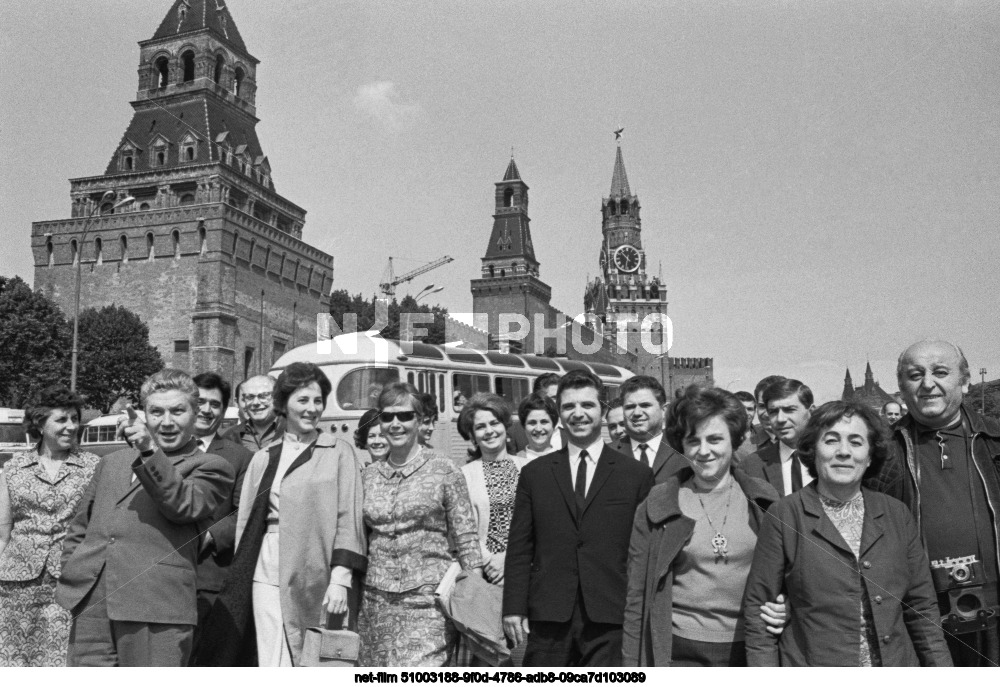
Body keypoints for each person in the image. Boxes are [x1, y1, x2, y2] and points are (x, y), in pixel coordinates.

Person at [743, 400, 952, 666]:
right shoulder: (784, 515)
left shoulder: (896, 514)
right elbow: (759, 613)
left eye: (856, 442)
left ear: (870, 456)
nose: (844, 452)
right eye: (831, 441)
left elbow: (921, 607)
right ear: (812, 451)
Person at [56, 369, 234, 667]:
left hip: (156, 607)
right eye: (156, 412)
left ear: (194, 414)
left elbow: (183, 505)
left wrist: (149, 451)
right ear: (144, 415)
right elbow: (81, 527)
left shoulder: (211, 465)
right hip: (92, 604)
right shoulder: (110, 463)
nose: (166, 422)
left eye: (177, 411)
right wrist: (73, 569)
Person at [197, 362, 366, 667]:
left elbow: (348, 519)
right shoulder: (264, 458)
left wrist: (340, 579)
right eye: (303, 400)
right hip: (267, 567)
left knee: (315, 654)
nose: (312, 408)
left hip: (317, 573)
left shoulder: (339, 452)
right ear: (284, 405)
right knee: (272, 655)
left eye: (318, 401)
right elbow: (247, 524)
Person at [503, 370, 654, 667]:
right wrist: (513, 607)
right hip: (548, 615)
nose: (579, 414)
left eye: (587, 405)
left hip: (611, 614)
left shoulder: (635, 475)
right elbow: (520, 546)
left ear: (603, 409)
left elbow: (643, 552)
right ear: (559, 413)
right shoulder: (535, 474)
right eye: (569, 406)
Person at [866, 339, 1000, 666]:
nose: (928, 383)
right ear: (900, 387)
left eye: (940, 372)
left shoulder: (996, 441)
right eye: (915, 375)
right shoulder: (881, 453)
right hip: (922, 621)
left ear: (965, 380)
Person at [623, 386, 779, 666]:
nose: (704, 451)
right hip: (680, 652)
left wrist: (787, 605)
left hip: (752, 649)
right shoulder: (658, 504)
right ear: (681, 445)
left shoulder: (764, 501)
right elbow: (637, 598)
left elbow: (790, 579)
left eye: (715, 439)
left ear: (735, 441)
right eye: (693, 441)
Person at [359, 383, 482, 666]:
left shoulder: (443, 469)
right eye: (388, 417)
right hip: (377, 605)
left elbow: (466, 538)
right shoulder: (369, 476)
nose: (395, 424)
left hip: (429, 603)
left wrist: (473, 598)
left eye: (404, 416)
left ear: (418, 420)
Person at [0, 387, 100, 666]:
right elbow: (2, 533)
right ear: (40, 424)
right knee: (14, 658)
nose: (71, 426)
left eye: (74, 419)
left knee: (60, 658)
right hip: (14, 583)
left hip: (69, 579)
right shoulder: (14, 467)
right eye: (62, 420)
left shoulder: (93, 466)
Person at [188, 372, 254, 664]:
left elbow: (245, 511)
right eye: (200, 401)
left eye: (215, 404)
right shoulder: (161, 448)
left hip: (210, 573)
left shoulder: (240, 457)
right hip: (161, 576)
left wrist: (212, 536)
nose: (206, 410)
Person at [741, 378, 814, 496]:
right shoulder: (751, 466)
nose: (780, 419)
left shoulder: (829, 457)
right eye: (773, 412)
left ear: (811, 411)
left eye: (789, 410)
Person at [612, 376, 686, 484]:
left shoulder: (684, 449)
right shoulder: (606, 454)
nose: (637, 413)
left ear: (664, 410)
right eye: (630, 407)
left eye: (645, 405)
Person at [223, 375, 285, 452]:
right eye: (250, 397)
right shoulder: (230, 436)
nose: (256, 403)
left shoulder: (294, 430)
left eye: (263, 396)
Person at [516, 393, 558, 462]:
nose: (538, 429)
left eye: (544, 422)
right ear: (524, 426)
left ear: (553, 424)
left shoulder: (567, 461)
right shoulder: (514, 463)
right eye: (532, 423)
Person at [752, 375, 785, 448]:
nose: (767, 414)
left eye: (774, 407)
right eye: (762, 406)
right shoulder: (743, 452)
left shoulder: (809, 444)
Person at [732, 390, 758, 461]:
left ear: (755, 412)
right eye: (741, 409)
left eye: (750, 409)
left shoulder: (763, 436)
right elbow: (700, 467)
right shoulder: (723, 437)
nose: (746, 413)